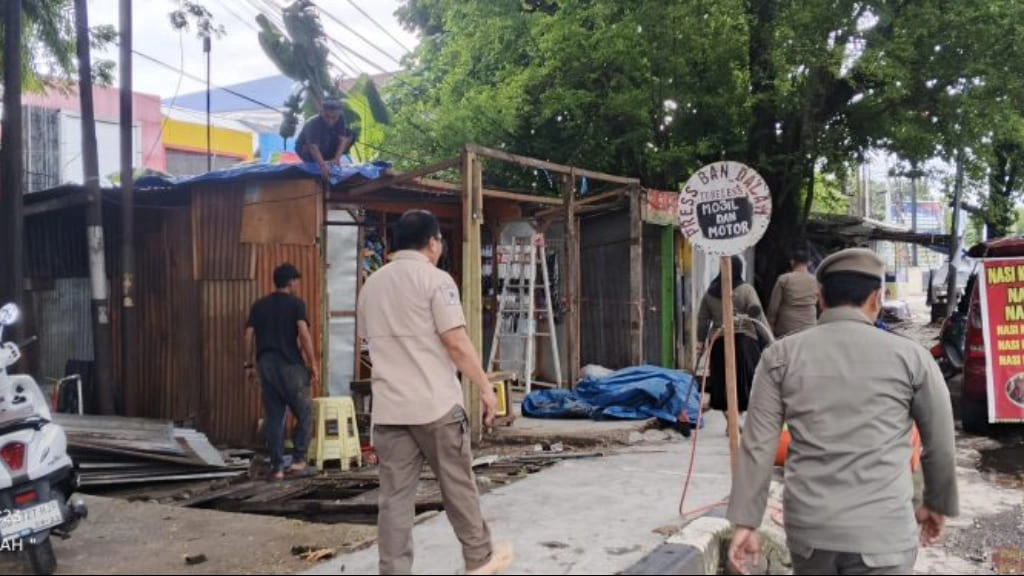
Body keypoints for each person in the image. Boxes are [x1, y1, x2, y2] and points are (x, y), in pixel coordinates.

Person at [727, 248, 959, 576]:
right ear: (876, 299)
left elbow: (758, 445)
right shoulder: (912, 358)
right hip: (885, 534)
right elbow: (940, 444)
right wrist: (937, 504)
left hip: (811, 534)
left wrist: (745, 522)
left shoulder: (780, 356)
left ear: (820, 298)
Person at [357, 210, 514, 575]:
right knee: (458, 487)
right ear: (432, 242)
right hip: (436, 407)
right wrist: (485, 388)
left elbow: (366, 344)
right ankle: (479, 560)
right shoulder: (436, 280)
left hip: (390, 411)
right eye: (440, 241)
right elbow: (456, 342)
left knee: (394, 501)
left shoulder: (371, 286)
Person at [244, 263, 320, 481]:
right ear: (290, 282)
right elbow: (303, 334)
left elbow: (248, 335)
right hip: (290, 366)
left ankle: (276, 467)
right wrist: (312, 363)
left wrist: (248, 364)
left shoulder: (259, 306)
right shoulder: (296, 305)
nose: (298, 285)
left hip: (266, 364)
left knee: (275, 417)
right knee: (305, 413)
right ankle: (298, 460)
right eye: (297, 281)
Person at [697, 255, 768, 430]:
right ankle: (736, 419)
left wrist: (701, 341)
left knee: (722, 384)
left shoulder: (710, 292)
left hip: (719, 342)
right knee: (744, 383)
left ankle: (731, 420)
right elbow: (756, 313)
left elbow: (703, 320)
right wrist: (766, 338)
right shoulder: (746, 290)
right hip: (744, 341)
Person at [295, 97, 355, 181]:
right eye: (327, 117)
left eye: (334, 118)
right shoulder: (313, 123)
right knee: (317, 159)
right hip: (306, 149)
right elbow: (313, 147)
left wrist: (336, 159)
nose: (330, 121)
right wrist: (322, 166)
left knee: (350, 134)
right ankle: (320, 162)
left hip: (325, 147)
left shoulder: (340, 118)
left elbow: (343, 139)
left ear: (339, 114)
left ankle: (330, 160)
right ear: (321, 113)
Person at [766, 248, 818, 338]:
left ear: (792, 262)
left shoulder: (784, 279)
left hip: (786, 327)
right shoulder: (815, 281)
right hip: (809, 326)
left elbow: (773, 307)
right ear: (809, 263)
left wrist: (770, 325)